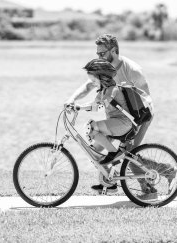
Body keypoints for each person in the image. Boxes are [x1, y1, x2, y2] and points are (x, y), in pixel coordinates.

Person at [65, 34, 162, 197]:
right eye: (97, 54)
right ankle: (109, 183)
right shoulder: (104, 71)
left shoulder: (132, 70)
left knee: (128, 154)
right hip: (116, 118)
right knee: (95, 151)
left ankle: (149, 189)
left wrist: (133, 122)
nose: (99, 57)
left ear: (114, 51)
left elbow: (146, 99)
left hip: (139, 117)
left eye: (102, 54)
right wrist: (72, 100)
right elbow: (89, 86)